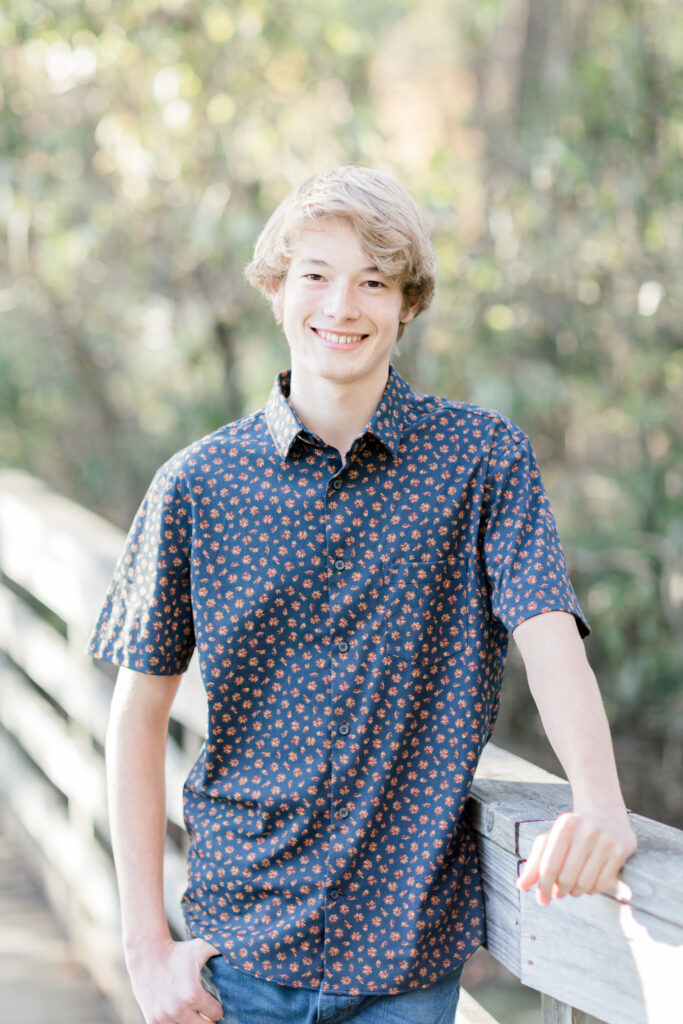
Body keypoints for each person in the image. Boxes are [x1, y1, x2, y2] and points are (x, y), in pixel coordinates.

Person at [87, 166, 637, 1024]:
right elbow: (137, 713)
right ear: (276, 289)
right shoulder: (197, 485)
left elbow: (546, 630)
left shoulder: (480, 461)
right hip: (236, 956)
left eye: (373, 282)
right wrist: (144, 949)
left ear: (408, 303)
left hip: (404, 961)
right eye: (316, 275)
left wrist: (599, 800)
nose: (341, 306)